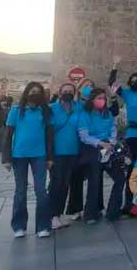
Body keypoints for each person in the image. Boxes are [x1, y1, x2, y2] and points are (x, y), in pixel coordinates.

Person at [2, 82, 53, 238]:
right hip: (19, 156)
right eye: (32, 91)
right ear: (26, 93)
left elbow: (49, 136)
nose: (35, 94)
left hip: (40, 155)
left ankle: (43, 226)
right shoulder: (16, 111)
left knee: (41, 191)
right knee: (20, 191)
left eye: (38, 91)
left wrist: (50, 157)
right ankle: (19, 226)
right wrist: (6, 158)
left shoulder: (45, 111)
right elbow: (8, 135)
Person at [77, 87, 125, 223]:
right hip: (93, 148)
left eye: (103, 98)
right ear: (92, 100)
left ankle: (113, 211)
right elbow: (84, 135)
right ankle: (90, 214)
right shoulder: (85, 114)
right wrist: (100, 143)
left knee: (120, 178)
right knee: (94, 181)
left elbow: (112, 128)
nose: (102, 101)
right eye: (99, 98)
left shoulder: (107, 113)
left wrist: (110, 142)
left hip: (109, 147)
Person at [110, 55, 137, 214]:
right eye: (132, 79)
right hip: (133, 136)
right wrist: (114, 66)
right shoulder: (127, 94)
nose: (134, 81)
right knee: (132, 170)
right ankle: (128, 203)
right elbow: (112, 85)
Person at [49, 81, 82, 230]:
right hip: (57, 153)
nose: (68, 92)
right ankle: (52, 216)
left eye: (71, 90)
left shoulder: (78, 108)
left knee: (65, 184)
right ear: (60, 92)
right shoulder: (52, 109)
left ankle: (59, 214)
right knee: (56, 183)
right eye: (65, 90)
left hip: (72, 151)